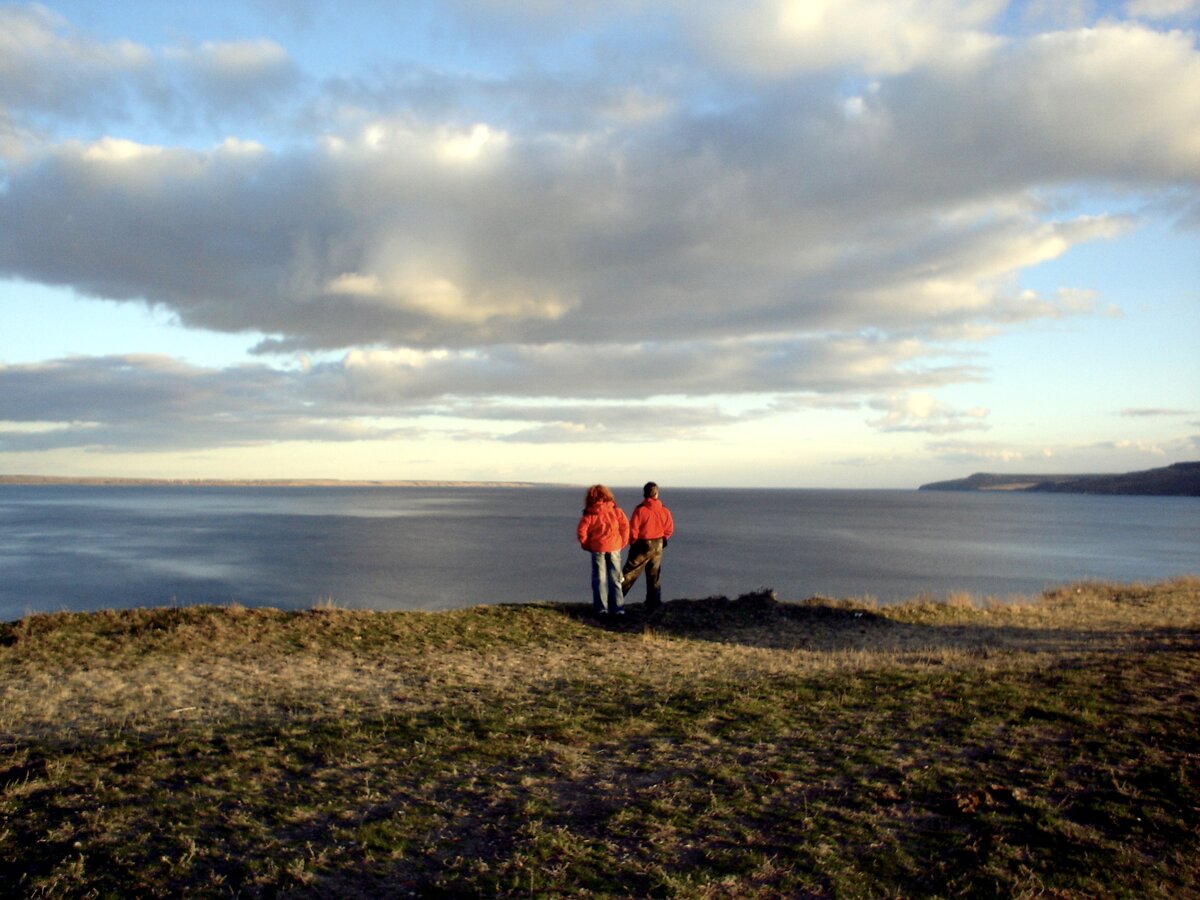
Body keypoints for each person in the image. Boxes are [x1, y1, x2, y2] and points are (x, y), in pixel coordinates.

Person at [576, 484, 630, 616]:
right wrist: (622, 542)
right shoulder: (617, 511)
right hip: (614, 547)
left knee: (599, 579)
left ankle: (601, 608)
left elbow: (581, 532)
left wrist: (588, 545)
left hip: (597, 548)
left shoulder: (590, 514)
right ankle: (618, 608)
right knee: (615, 578)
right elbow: (625, 527)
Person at [621, 482, 675, 610]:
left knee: (629, 574)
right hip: (658, 544)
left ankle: (614, 601)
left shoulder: (640, 509)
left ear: (644, 494)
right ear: (656, 494)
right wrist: (663, 540)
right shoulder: (664, 510)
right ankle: (654, 604)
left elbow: (633, 529)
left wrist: (633, 543)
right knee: (654, 574)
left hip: (642, 544)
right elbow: (669, 528)